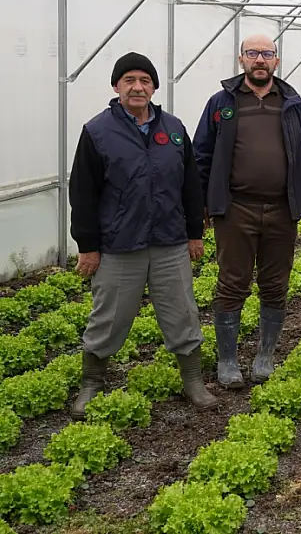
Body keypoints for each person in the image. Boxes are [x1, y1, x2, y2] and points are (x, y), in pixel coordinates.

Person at [68, 52, 217, 418]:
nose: (138, 87)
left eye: (145, 81)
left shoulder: (174, 128)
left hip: (169, 242)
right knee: (109, 317)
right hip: (120, 245)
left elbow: (190, 187)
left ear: (153, 87)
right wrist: (87, 246)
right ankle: (91, 384)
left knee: (183, 312)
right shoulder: (97, 132)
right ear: (116, 86)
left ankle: (193, 382)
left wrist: (194, 234)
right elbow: (83, 193)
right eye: (129, 80)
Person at [194, 35, 301, 388]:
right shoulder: (222, 103)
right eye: (253, 54)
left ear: (276, 62)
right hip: (236, 209)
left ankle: (265, 356)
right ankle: (228, 361)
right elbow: (200, 156)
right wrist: (203, 204)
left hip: (282, 210)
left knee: (275, 284)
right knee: (231, 283)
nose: (260, 60)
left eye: (267, 54)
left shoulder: (292, 104)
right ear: (241, 60)